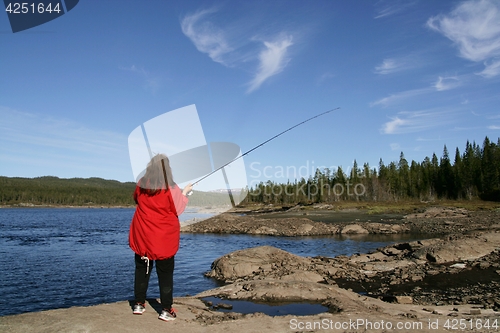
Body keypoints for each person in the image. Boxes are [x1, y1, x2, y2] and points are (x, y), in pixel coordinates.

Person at [128, 154, 193, 322]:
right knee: (165, 274)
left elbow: (136, 199)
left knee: (141, 270)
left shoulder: (142, 184)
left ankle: (139, 305)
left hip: (142, 235)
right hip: (163, 239)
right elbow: (178, 208)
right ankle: (166, 310)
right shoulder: (171, 187)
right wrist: (185, 193)